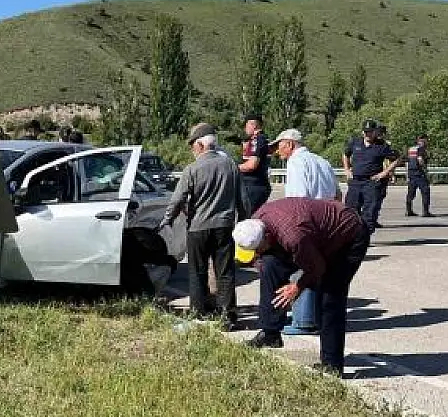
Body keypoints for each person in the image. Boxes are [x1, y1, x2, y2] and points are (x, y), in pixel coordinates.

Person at [233, 198, 370, 377]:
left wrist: (297, 286)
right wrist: (259, 263)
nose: (256, 254)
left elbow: (317, 268)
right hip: (314, 237)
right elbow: (261, 256)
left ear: (266, 237)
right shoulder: (255, 222)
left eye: (258, 249)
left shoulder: (293, 237)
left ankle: (332, 364)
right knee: (270, 266)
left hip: (348, 237)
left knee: (329, 297)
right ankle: (270, 333)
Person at [158, 124, 249, 327]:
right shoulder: (231, 166)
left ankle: (198, 313)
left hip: (198, 227)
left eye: (193, 146)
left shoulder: (193, 169)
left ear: (200, 144)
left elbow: (177, 199)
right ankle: (228, 317)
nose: (192, 150)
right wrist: (243, 221)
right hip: (224, 227)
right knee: (224, 272)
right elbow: (243, 199)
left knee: (197, 272)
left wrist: (167, 220)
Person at [270, 129, 341, 336]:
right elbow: (337, 193)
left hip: (307, 221)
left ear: (290, 144)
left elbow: (297, 199)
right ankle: (316, 316)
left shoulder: (296, 163)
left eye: (279, 146)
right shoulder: (322, 161)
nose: (277, 151)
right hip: (328, 220)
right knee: (321, 269)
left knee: (303, 267)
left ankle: (304, 320)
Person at [342, 119, 400, 232]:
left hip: (371, 183)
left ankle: (365, 237)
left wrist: (384, 173)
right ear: (362, 132)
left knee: (370, 212)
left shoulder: (382, 145)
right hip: (355, 182)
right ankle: (353, 236)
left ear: (375, 132)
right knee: (351, 210)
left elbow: (396, 159)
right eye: (366, 131)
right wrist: (347, 169)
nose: (368, 134)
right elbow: (346, 154)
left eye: (370, 131)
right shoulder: (355, 142)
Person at [239, 115, 271, 213]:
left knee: (247, 219)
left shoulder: (258, 139)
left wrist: (232, 167)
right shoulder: (257, 140)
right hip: (256, 185)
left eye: (246, 126)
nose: (245, 129)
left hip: (253, 186)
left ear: (253, 125)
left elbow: (252, 165)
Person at [406, 134, 433, 217]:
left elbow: (407, 161)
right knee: (425, 191)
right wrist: (424, 168)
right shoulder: (421, 149)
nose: (427, 142)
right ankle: (425, 212)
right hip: (419, 173)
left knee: (411, 193)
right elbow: (420, 159)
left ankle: (408, 210)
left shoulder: (410, 149)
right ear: (422, 140)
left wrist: (407, 174)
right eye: (426, 140)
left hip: (411, 173)